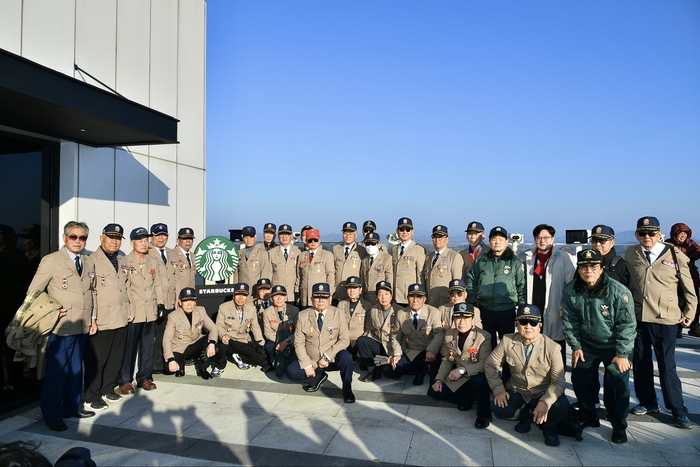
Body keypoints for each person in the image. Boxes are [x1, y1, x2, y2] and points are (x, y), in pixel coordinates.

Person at [625, 216, 697, 429]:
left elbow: (688, 287)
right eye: (642, 233)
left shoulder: (674, 254)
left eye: (651, 233)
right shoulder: (631, 253)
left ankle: (678, 410)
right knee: (641, 363)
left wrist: (689, 312)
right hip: (638, 319)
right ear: (637, 235)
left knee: (667, 364)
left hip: (665, 318)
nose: (647, 237)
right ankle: (647, 402)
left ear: (659, 234)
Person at [561, 249, 636, 444]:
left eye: (594, 266)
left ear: (601, 268)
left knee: (617, 387)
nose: (589, 270)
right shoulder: (571, 290)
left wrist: (622, 353)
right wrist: (576, 346)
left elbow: (627, 325)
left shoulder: (618, 292)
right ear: (579, 269)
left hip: (614, 346)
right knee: (580, 380)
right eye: (584, 266)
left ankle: (619, 425)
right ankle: (589, 415)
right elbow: (570, 321)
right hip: (587, 344)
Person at [28, 221, 95, 431]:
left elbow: (92, 292)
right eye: (73, 237)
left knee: (76, 370)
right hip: (61, 327)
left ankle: (72, 407)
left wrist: (93, 318)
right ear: (64, 238)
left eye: (82, 237)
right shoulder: (51, 261)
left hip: (82, 325)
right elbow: (33, 292)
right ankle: (52, 414)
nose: (78, 241)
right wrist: (52, 310)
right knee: (57, 373)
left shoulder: (88, 261)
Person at [485, 304, 570, 447]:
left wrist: (545, 402)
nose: (528, 326)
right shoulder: (507, 340)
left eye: (533, 322)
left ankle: (549, 428)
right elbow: (490, 365)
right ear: (516, 324)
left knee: (562, 405)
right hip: (519, 390)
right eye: (523, 322)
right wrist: (498, 390)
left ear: (540, 325)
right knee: (499, 408)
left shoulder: (553, 347)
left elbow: (558, 381)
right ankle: (526, 415)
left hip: (542, 391)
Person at [580, 224, 643, 409]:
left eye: (603, 240)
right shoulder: (584, 265)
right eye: (594, 240)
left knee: (614, 375)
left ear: (612, 242)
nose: (598, 244)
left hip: (615, 334)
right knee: (587, 373)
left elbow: (635, 300)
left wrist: (627, 331)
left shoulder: (621, 266)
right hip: (590, 332)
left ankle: (613, 409)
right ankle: (591, 403)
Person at [83, 224, 129, 411]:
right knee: (98, 358)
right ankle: (91, 394)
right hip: (102, 317)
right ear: (101, 238)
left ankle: (107, 388)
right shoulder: (91, 260)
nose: (114, 241)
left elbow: (127, 286)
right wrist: (92, 317)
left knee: (116, 356)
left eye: (117, 238)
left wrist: (131, 308)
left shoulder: (122, 259)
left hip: (122, 315)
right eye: (110, 237)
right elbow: (89, 290)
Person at [286, 283, 355, 403]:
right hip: (312, 360)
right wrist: (307, 366)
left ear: (330, 299)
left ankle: (347, 390)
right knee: (291, 372)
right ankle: (317, 378)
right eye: (317, 297)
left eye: (324, 297)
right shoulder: (303, 315)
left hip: (332, 358)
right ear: (312, 299)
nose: (320, 300)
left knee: (346, 358)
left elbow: (344, 340)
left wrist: (327, 356)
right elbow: (298, 343)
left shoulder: (338, 313)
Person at [117, 227, 165, 396]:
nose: (144, 244)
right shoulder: (124, 261)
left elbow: (157, 284)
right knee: (129, 348)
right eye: (140, 241)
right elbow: (124, 286)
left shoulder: (153, 262)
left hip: (150, 310)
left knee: (147, 346)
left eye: (146, 241)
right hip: (134, 311)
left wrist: (160, 304)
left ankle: (144, 377)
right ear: (132, 243)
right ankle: (125, 380)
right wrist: (129, 308)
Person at [429, 302, 492, 428]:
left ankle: (484, 415)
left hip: (476, 374)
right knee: (434, 392)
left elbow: (484, 363)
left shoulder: (484, 336)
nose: (461, 322)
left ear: (473, 320)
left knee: (479, 381)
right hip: (461, 378)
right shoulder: (450, 334)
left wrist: (462, 370)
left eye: (466, 318)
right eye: (458, 318)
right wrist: (439, 379)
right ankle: (467, 398)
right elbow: (448, 359)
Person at [467, 226, 526, 350]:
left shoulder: (515, 262)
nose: (497, 242)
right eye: (494, 239)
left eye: (500, 239)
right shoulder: (481, 260)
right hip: (485, 309)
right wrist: (472, 299)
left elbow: (521, 286)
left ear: (506, 242)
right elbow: (472, 279)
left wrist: (521, 308)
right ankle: (488, 369)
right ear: (489, 242)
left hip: (506, 310)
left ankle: (507, 370)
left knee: (508, 345)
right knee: (487, 345)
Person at [523, 224, 575, 365]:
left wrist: (565, 306)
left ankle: (558, 381)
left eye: (546, 237)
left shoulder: (563, 257)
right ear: (534, 240)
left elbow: (571, 284)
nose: (542, 241)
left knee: (556, 346)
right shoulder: (528, 258)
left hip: (555, 308)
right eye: (539, 237)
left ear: (552, 239)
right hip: (534, 307)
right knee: (534, 345)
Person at [387, 284, 444, 385]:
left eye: (419, 297)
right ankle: (423, 370)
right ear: (407, 298)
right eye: (412, 296)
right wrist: (397, 354)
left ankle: (424, 369)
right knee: (397, 366)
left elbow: (438, 334)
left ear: (424, 299)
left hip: (428, 351)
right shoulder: (401, 313)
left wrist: (431, 350)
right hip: (412, 351)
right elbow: (396, 336)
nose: (415, 300)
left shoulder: (434, 312)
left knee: (437, 363)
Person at [164, 288, 224, 378]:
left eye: (192, 300)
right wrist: (170, 359)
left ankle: (202, 368)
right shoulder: (173, 316)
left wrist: (212, 344)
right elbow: (167, 339)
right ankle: (182, 364)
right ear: (180, 302)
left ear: (195, 301)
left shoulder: (201, 311)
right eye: (185, 301)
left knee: (209, 340)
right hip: (180, 348)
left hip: (196, 343)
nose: (189, 304)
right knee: (170, 369)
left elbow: (213, 328)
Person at [0, 224, 30, 392]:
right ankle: (16, 382)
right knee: (13, 349)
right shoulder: (21, 257)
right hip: (16, 310)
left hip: (3, 310)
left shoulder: (3, 257)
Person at [356, 281, 403, 382]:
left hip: (394, 348)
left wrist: (397, 354)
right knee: (361, 341)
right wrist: (361, 348)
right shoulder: (373, 310)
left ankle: (383, 364)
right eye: (380, 294)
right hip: (380, 345)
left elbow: (404, 337)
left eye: (386, 294)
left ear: (391, 296)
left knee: (389, 373)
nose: (383, 297)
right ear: (376, 297)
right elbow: (370, 329)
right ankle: (374, 370)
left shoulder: (401, 311)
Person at [216, 283, 268, 370]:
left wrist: (261, 344)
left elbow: (255, 327)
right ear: (233, 296)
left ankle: (236, 356)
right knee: (221, 348)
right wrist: (223, 335)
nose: (241, 298)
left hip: (243, 341)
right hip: (229, 340)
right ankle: (222, 364)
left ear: (247, 297)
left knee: (261, 356)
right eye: (238, 295)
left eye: (243, 295)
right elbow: (219, 326)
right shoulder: (223, 307)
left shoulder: (251, 309)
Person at [148, 223, 177, 374]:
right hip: (155, 302)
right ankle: (155, 365)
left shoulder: (172, 254)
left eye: (164, 235)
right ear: (151, 237)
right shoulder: (146, 252)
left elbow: (176, 277)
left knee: (167, 334)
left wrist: (178, 297)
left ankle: (167, 362)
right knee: (154, 337)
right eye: (157, 235)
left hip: (171, 301)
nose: (161, 238)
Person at [667, 222, 700, 337]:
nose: (683, 236)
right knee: (676, 303)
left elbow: (697, 253)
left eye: (685, 234)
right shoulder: (668, 244)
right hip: (673, 277)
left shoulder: (690, 244)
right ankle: (677, 329)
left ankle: (695, 327)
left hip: (691, 275)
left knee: (695, 301)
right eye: (681, 234)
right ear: (674, 234)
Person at [423, 225, 464, 308]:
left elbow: (457, 283)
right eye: (435, 237)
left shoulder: (454, 256)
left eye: (440, 237)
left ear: (447, 239)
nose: (437, 240)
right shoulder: (428, 257)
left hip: (445, 303)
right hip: (429, 303)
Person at [261, 285, 300, 367]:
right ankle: (274, 364)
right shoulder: (267, 312)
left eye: (282, 295)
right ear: (271, 298)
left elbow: (298, 331)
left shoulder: (294, 310)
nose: (279, 299)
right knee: (269, 346)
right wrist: (279, 342)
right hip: (275, 339)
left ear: (286, 297)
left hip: (291, 339)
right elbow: (267, 333)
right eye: (276, 296)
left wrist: (286, 341)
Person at [391, 217, 426, 307]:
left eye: (408, 229)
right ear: (397, 231)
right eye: (402, 229)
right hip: (395, 296)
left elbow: (420, 275)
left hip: (410, 296)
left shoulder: (419, 250)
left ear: (412, 231)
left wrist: (419, 295)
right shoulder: (394, 249)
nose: (405, 232)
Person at [336, 276, 373, 359]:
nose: (352, 291)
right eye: (349, 288)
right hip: (343, 341)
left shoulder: (368, 306)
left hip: (358, 341)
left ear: (360, 290)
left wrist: (361, 345)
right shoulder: (341, 304)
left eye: (355, 288)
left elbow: (369, 328)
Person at [297, 229, 335, 308]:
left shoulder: (327, 255)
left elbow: (330, 275)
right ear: (306, 241)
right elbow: (299, 275)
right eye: (310, 240)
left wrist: (330, 293)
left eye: (315, 240)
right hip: (305, 296)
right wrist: (297, 292)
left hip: (321, 296)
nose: (313, 242)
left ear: (319, 240)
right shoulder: (302, 255)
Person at [333, 222, 366, 302]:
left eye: (350, 233)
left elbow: (363, 272)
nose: (347, 236)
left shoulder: (362, 250)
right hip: (338, 291)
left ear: (356, 235)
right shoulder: (336, 248)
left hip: (354, 291)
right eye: (345, 233)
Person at [268, 224, 301, 304]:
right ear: (278, 236)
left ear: (291, 236)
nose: (284, 237)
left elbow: (299, 273)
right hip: (277, 294)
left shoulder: (298, 251)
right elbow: (269, 273)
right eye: (282, 234)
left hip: (292, 293)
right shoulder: (271, 253)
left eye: (287, 234)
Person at [360, 232, 393, 304]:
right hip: (366, 298)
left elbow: (389, 279)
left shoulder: (386, 258)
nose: (370, 246)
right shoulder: (364, 259)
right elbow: (363, 279)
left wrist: (388, 297)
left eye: (373, 243)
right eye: (367, 244)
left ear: (379, 245)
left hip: (380, 298)